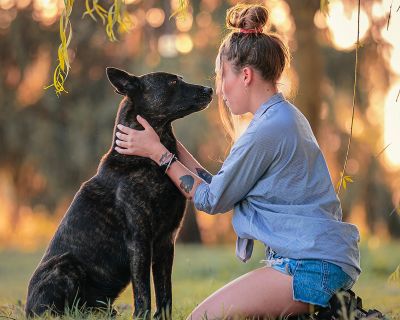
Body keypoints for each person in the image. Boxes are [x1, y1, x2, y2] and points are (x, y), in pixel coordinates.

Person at [114, 3, 361, 319]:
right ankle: (330, 312)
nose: (220, 89)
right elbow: (223, 188)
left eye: (222, 76)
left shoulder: (267, 130)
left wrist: (158, 154)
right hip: (322, 260)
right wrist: (167, 142)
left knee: (199, 318)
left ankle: (336, 312)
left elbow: (211, 200)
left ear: (245, 75)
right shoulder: (282, 117)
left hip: (310, 267)